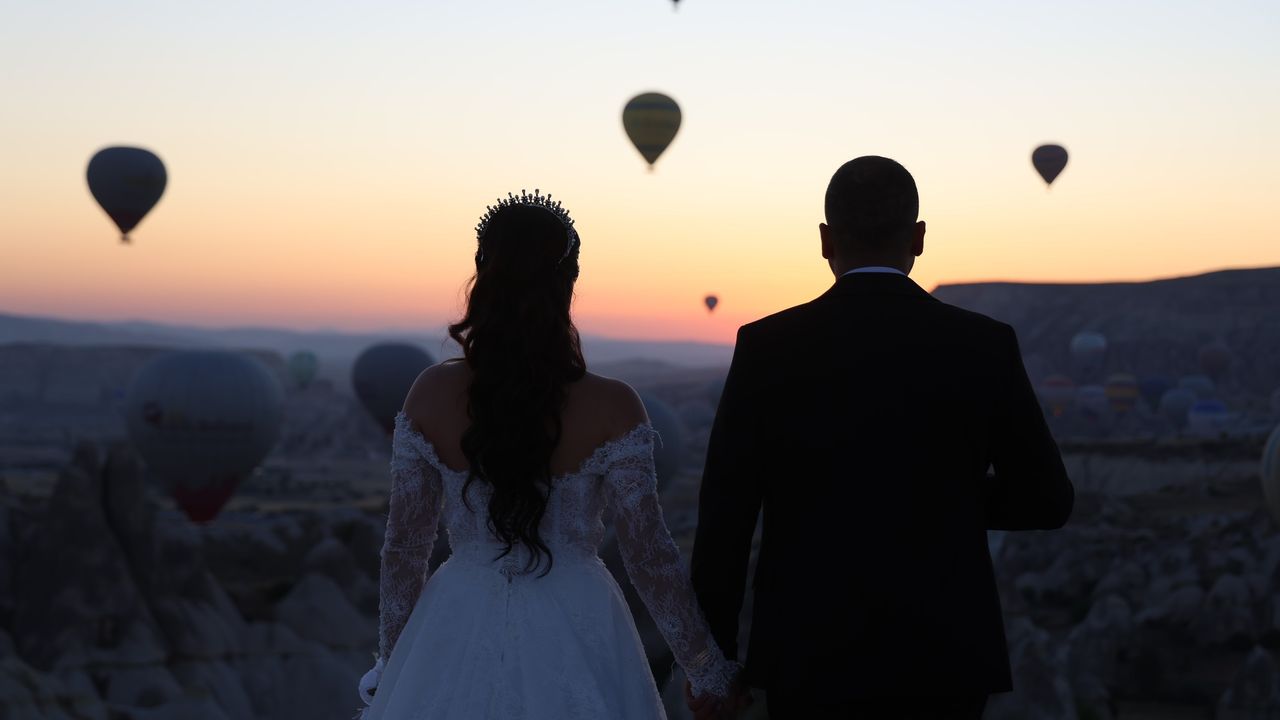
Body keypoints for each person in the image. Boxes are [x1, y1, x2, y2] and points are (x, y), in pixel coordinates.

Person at [689, 157, 1075, 719]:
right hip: (943, 652)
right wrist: (944, 493)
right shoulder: (983, 344)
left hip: (808, 649)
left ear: (825, 241)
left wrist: (713, 664)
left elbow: (725, 520)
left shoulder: (766, 347)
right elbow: (1048, 499)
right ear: (918, 239)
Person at [354, 191, 741, 720]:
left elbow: (404, 549)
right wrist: (706, 669)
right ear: (568, 284)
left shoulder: (429, 394)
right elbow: (649, 557)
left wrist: (395, 665)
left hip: (456, 615)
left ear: (483, 277)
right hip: (579, 617)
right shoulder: (614, 405)